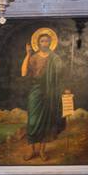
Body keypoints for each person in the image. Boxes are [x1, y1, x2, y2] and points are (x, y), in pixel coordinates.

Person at [21, 29, 65, 161]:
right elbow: (23, 72)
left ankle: (41, 151)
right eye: (42, 41)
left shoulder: (55, 58)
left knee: (46, 123)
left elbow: (61, 74)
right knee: (33, 122)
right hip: (36, 91)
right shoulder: (33, 57)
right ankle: (31, 150)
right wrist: (28, 54)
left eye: (47, 41)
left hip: (49, 92)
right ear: (38, 43)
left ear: (50, 43)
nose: (44, 43)